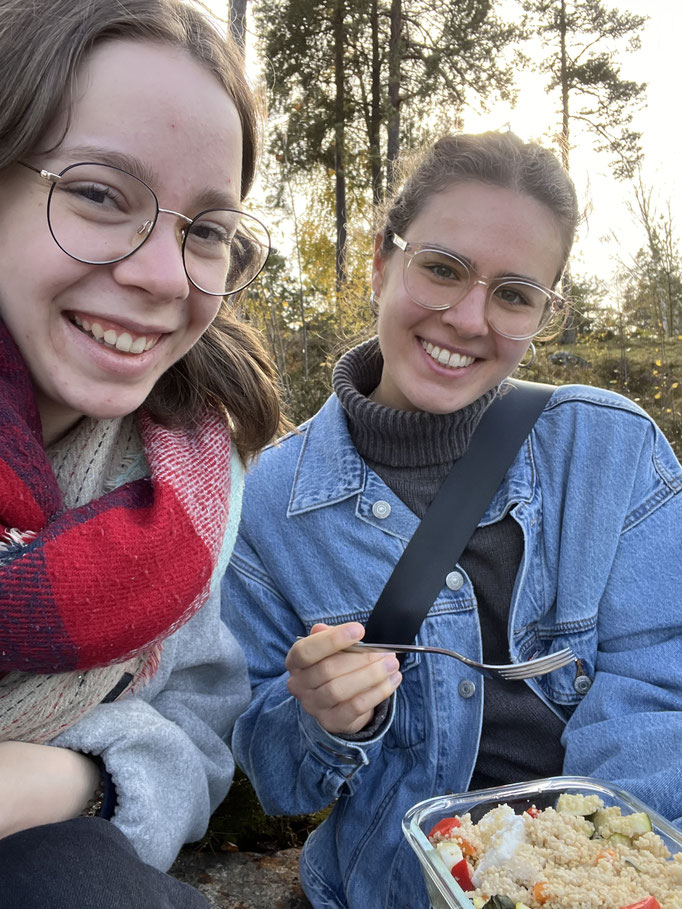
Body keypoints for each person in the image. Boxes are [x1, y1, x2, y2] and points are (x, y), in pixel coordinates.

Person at [221, 131, 682, 908]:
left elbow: (658, 683)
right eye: (441, 268)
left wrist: (562, 872)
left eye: (513, 293)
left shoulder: (614, 451)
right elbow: (277, 782)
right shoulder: (269, 500)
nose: (469, 318)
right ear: (381, 261)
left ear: (543, 312)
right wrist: (320, 720)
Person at [0, 0, 283, 905]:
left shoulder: (187, 479)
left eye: (205, 230)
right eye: (98, 193)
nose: (164, 276)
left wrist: (69, 777)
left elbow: (198, 727)